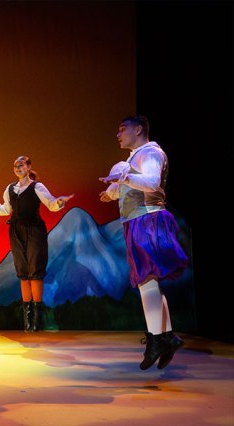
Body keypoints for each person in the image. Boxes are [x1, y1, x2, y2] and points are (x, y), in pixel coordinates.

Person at [99, 115, 188, 370]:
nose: (118, 134)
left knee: (146, 280)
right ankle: (167, 337)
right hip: (137, 220)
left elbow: (151, 183)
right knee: (149, 281)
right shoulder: (134, 157)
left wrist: (124, 178)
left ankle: (156, 340)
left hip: (147, 220)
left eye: (122, 129)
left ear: (138, 129)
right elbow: (130, 185)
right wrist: (111, 192)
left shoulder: (150, 153)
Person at [0, 155, 73, 332]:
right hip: (16, 231)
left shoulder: (37, 187)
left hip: (34, 230)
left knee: (35, 271)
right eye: (15, 166)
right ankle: (27, 317)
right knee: (23, 272)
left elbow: (51, 204)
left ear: (28, 167)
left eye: (21, 165)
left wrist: (59, 202)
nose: (18, 168)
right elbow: (6, 209)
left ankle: (37, 316)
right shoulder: (10, 188)